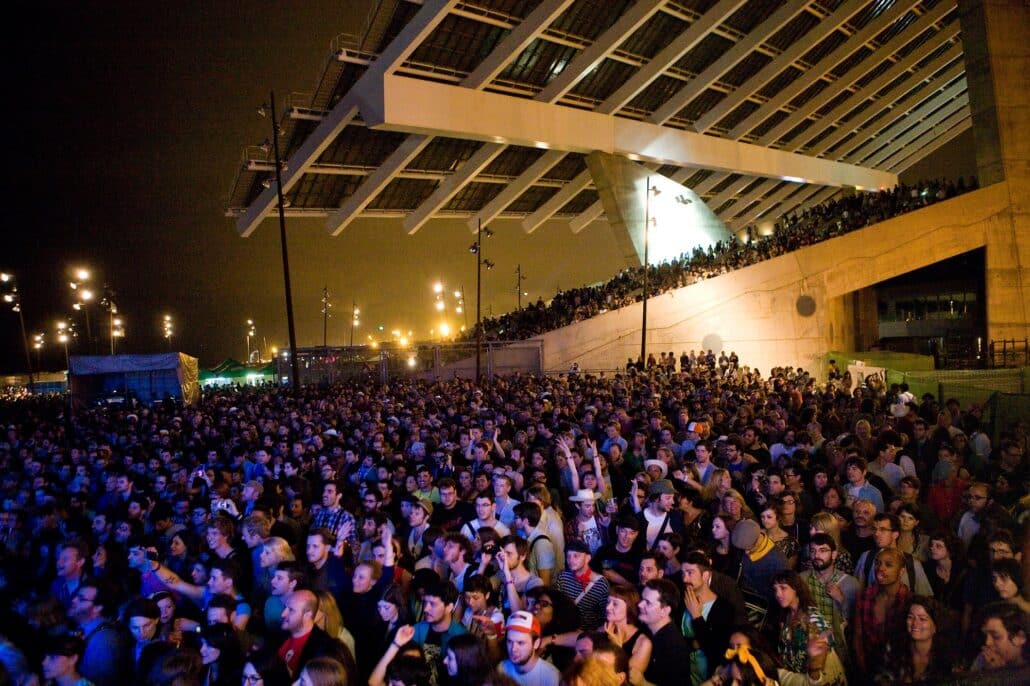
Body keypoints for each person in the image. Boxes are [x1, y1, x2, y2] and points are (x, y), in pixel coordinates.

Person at [852, 548, 911, 674]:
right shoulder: (864, 596)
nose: (880, 568)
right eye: (878, 563)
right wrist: (862, 666)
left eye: (888, 565)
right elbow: (858, 635)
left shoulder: (910, 601)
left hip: (900, 669)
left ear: (901, 571)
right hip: (870, 666)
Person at [679, 551, 734, 683]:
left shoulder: (723, 608)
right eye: (683, 573)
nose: (684, 579)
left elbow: (717, 650)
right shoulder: (682, 601)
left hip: (708, 678)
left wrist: (697, 617)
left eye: (690, 573)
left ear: (705, 576)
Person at [879, 595, 956, 683]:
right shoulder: (893, 648)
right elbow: (883, 679)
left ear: (935, 626)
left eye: (922, 619)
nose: (915, 623)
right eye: (911, 617)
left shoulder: (946, 656)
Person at [637, 579, 691, 686]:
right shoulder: (646, 631)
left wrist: (642, 683)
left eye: (648, 602)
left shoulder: (674, 646)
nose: (640, 605)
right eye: (642, 599)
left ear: (665, 611)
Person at [601, 585, 651, 685]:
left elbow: (628, 680)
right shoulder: (606, 628)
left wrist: (617, 648)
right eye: (608, 602)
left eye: (615, 604)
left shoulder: (643, 643)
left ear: (629, 608)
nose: (608, 607)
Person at [555, 540, 610, 631]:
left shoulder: (601, 584)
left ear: (588, 558)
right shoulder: (563, 577)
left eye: (576, 556)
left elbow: (604, 617)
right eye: (568, 556)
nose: (571, 560)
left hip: (588, 634)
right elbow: (558, 605)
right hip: (564, 630)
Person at [498, 610, 561, 686]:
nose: (513, 649)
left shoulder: (552, 678)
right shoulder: (502, 669)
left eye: (520, 643)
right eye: (509, 641)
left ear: (536, 643)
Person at [971, 601, 1028, 671]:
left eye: (995, 636)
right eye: (985, 635)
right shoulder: (983, 658)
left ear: (1020, 637)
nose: (987, 642)